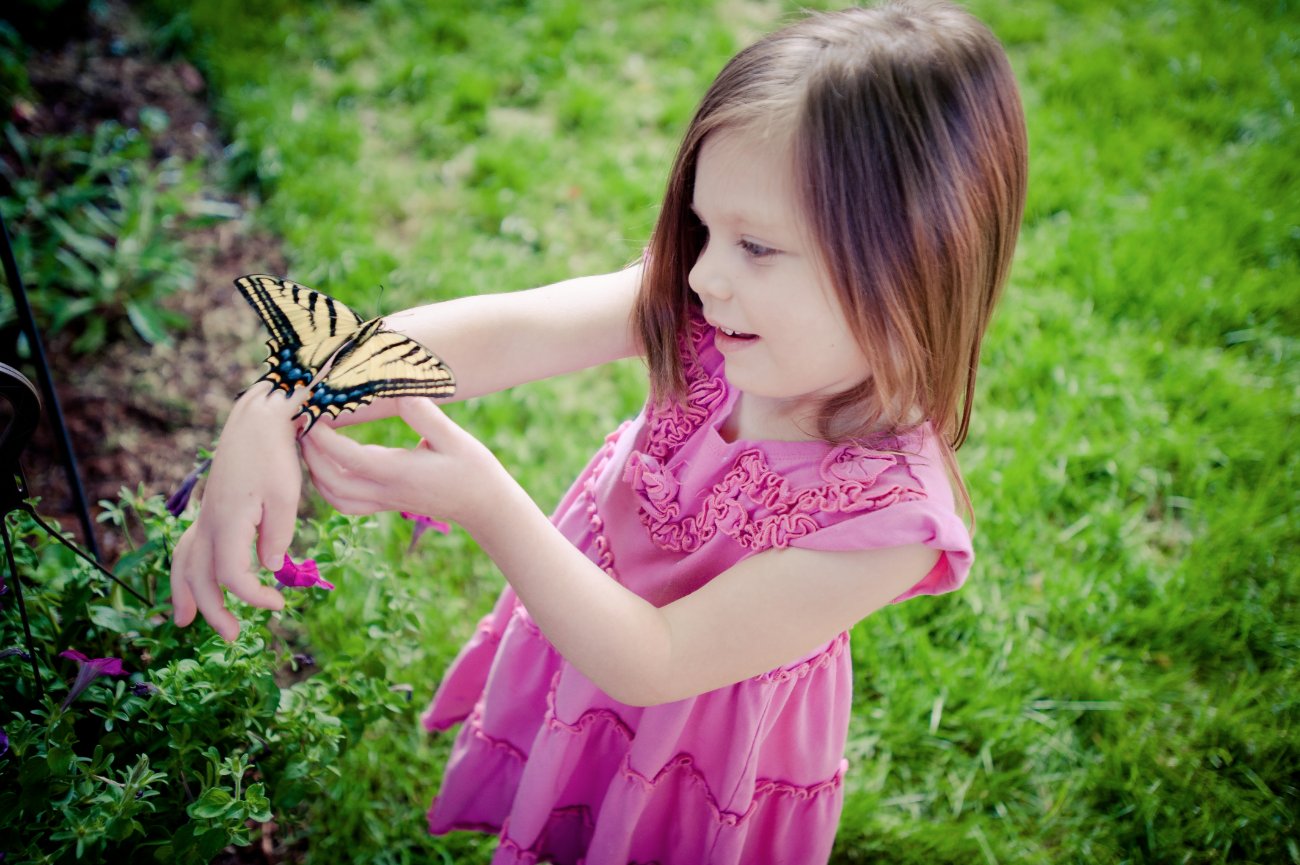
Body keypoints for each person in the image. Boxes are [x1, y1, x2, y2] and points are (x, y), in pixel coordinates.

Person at [170, 0, 1027, 861]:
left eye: (756, 247)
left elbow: (653, 658)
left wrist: (486, 503)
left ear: (912, 259)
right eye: (705, 228)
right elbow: (497, 335)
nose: (703, 273)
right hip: (578, 628)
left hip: (695, 746)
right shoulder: (710, 312)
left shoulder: (893, 523)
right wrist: (277, 398)